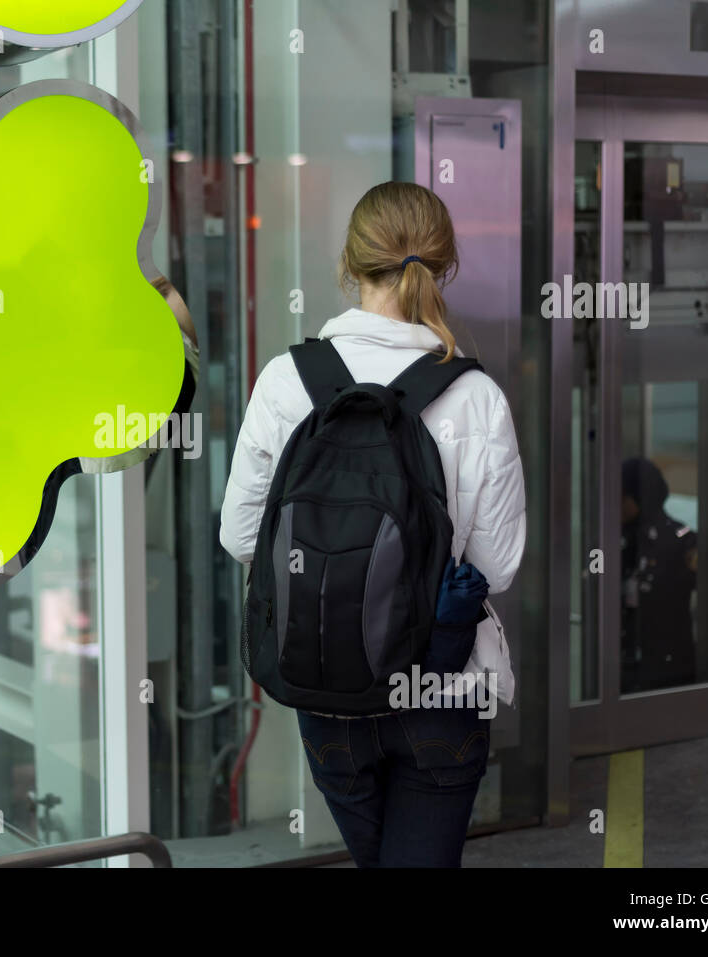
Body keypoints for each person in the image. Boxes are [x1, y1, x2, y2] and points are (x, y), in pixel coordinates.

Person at [218, 181, 526, 867]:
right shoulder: (475, 395)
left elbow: (241, 537)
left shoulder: (284, 381)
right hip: (440, 686)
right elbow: (499, 566)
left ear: (348, 265)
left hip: (326, 686)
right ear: (442, 268)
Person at [619, 456, 697, 693]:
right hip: (622, 665)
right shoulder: (612, 537)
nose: (616, 504)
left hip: (666, 669)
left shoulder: (680, 541)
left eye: (622, 497)